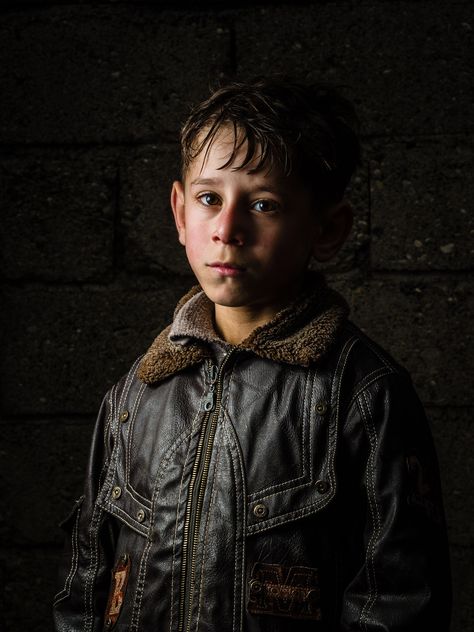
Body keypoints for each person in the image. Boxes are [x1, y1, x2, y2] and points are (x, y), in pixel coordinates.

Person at [53, 78, 451, 632]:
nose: (227, 229)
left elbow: (398, 603)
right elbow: (84, 589)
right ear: (179, 212)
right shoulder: (133, 398)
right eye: (209, 199)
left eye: (263, 204)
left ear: (328, 229)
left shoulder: (364, 394)